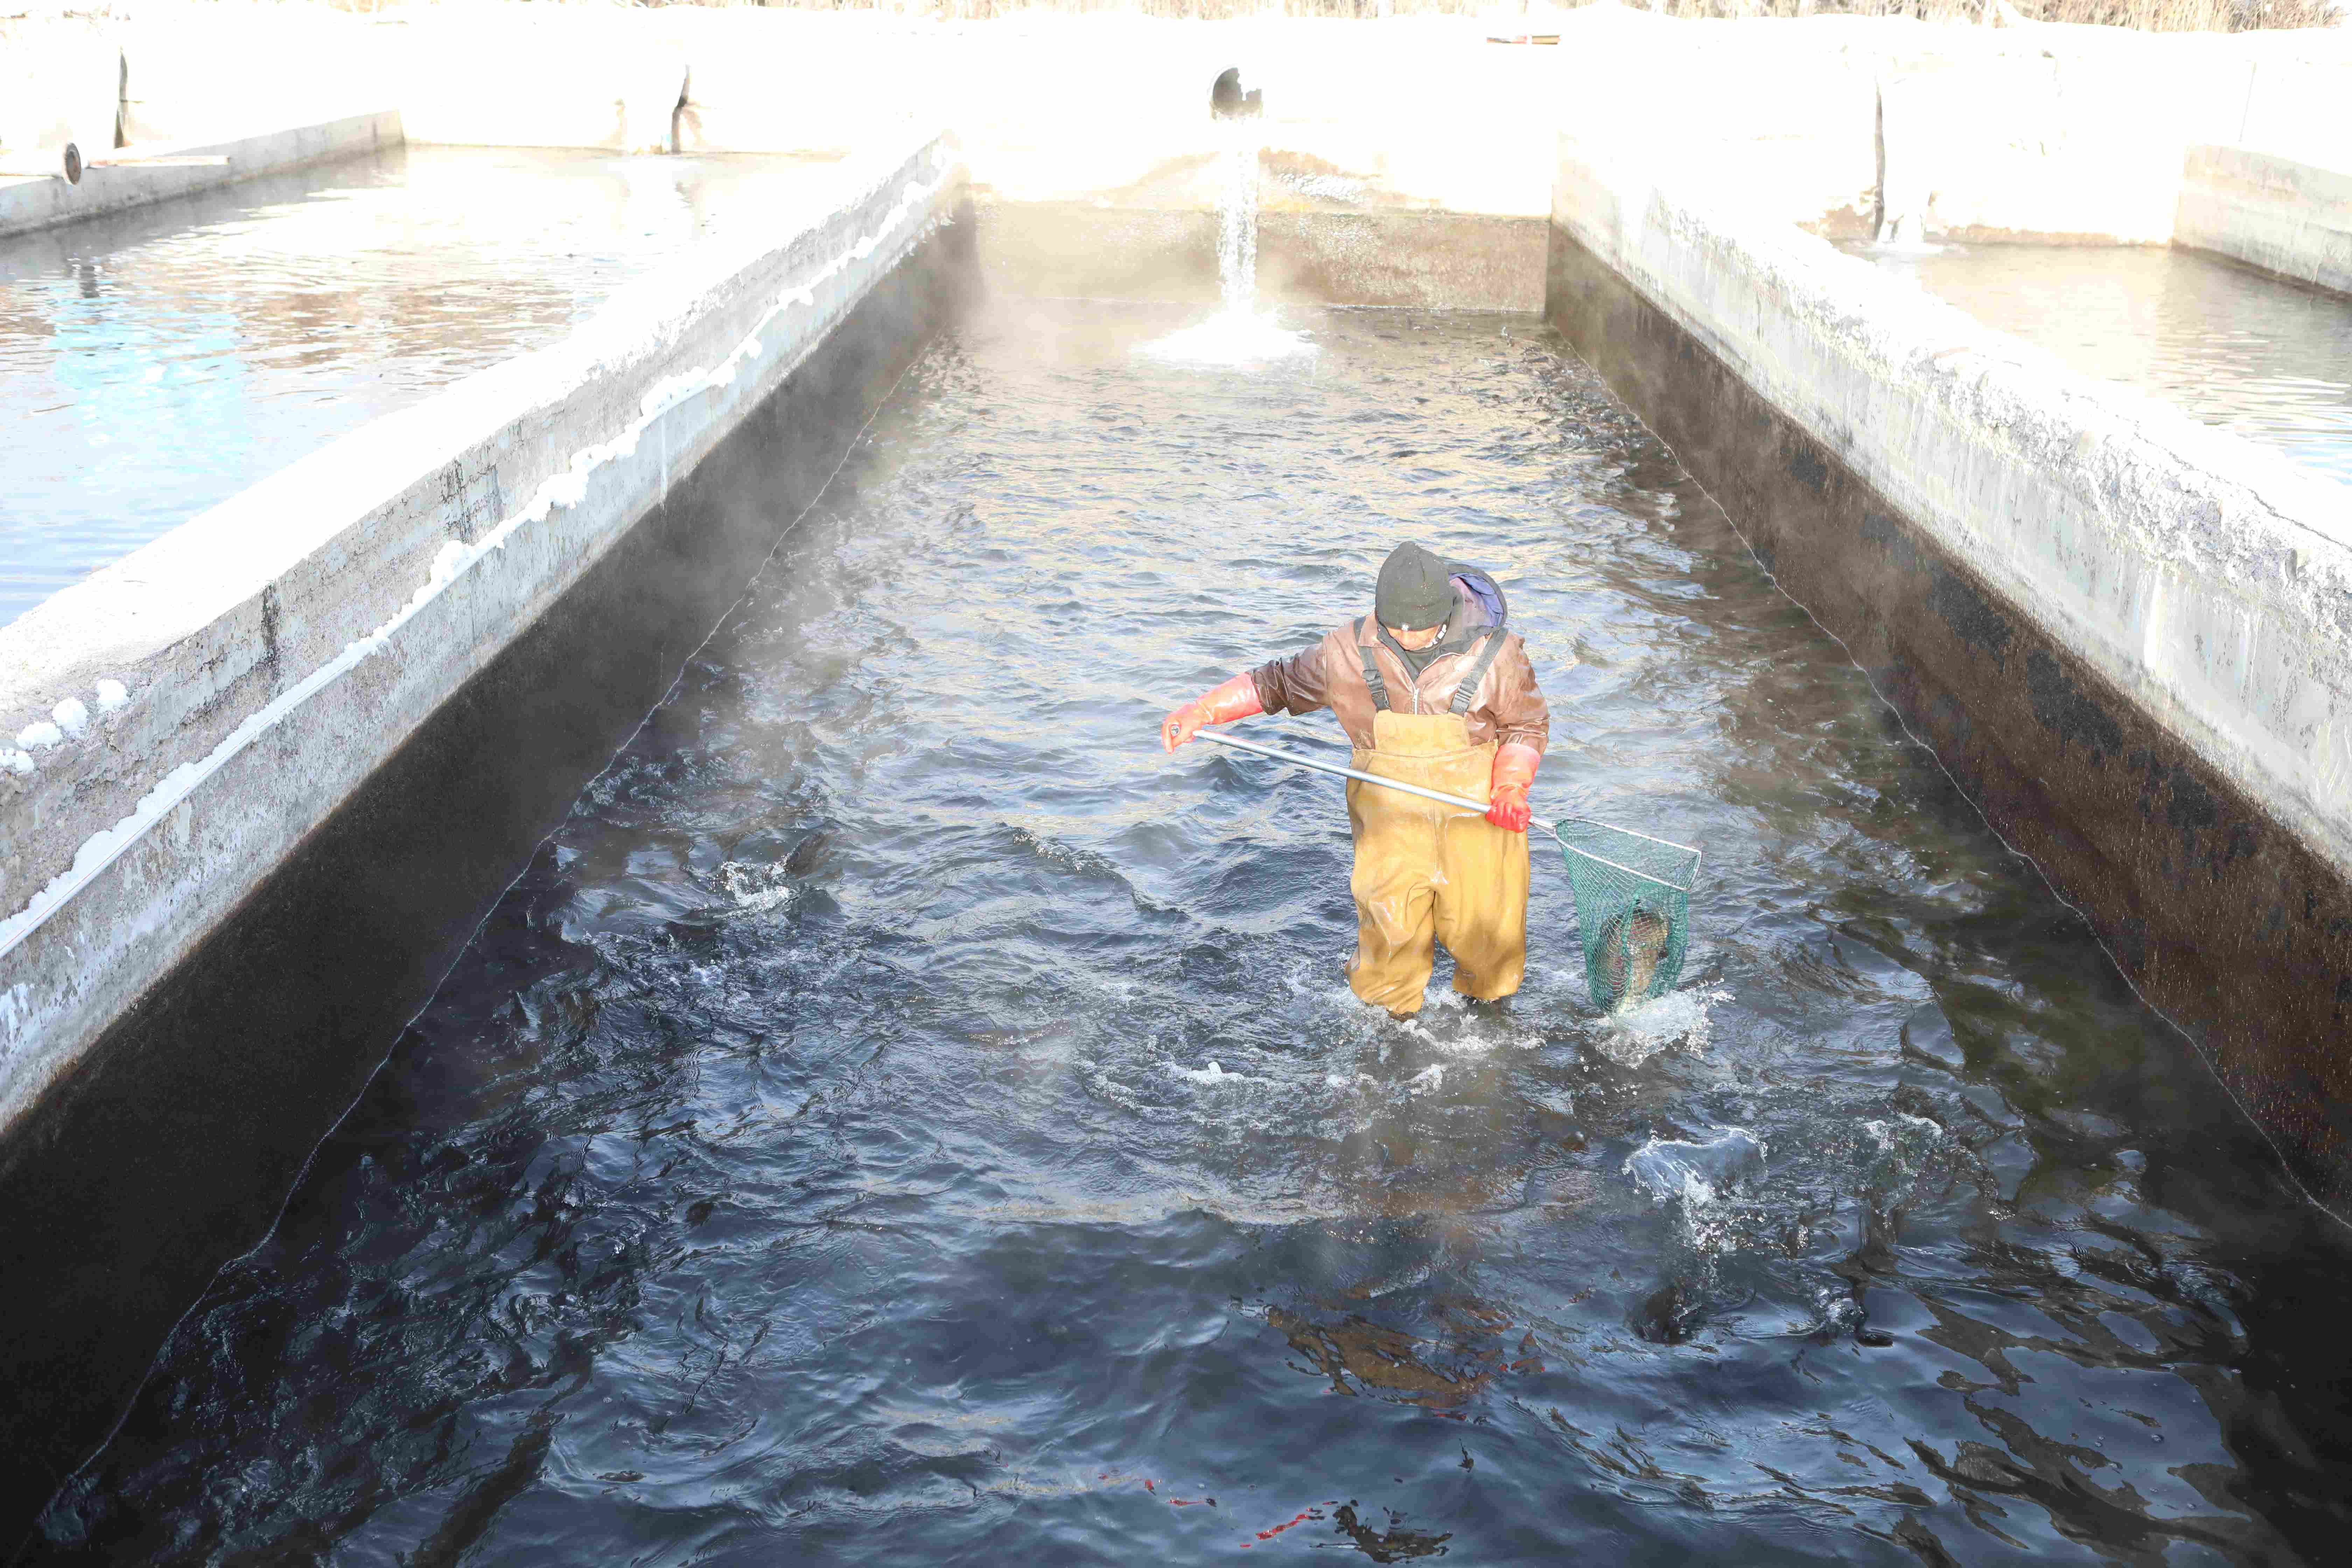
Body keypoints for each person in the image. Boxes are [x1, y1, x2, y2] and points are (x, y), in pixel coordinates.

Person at [1161, 541, 1553, 1017]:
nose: (1405, 637)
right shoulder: (1345, 651)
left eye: (1418, 628)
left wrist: (1511, 786)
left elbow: (1526, 726)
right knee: (1389, 936)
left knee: (1488, 934)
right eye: (1394, 627)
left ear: (1444, 614)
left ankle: (1488, 1015)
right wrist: (1203, 711)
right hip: (1390, 824)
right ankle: (1392, 1026)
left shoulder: (1498, 653)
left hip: (1480, 817)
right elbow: (1274, 684)